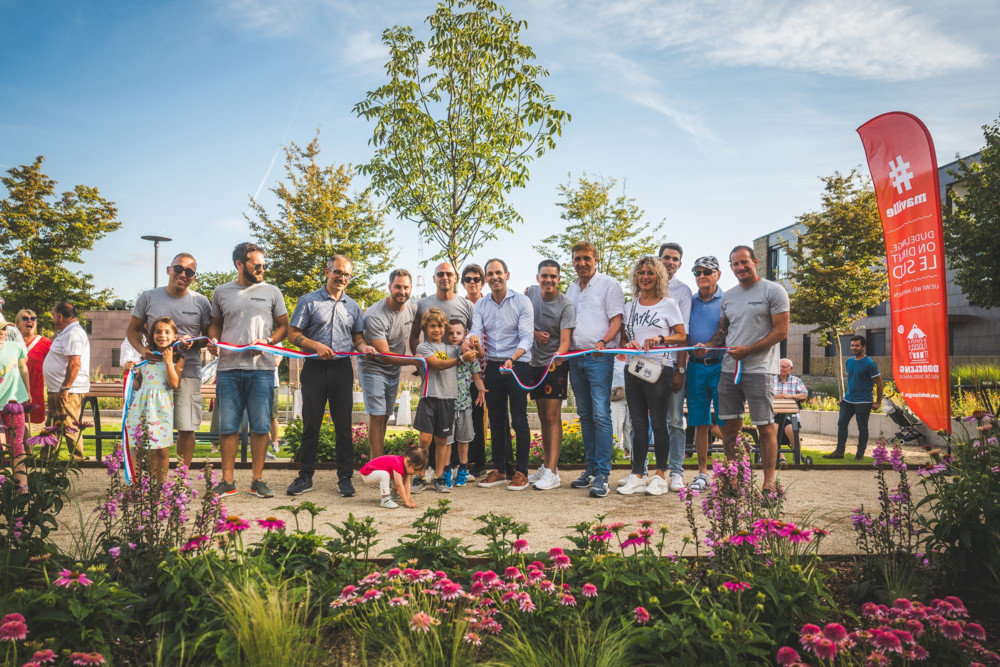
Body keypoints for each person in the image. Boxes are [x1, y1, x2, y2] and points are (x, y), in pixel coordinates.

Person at [699, 245, 789, 496]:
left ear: (755, 261)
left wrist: (747, 351)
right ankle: (734, 478)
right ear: (730, 267)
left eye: (744, 263)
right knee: (729, 426)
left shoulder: (774, 291)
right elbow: (723, 332)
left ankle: (768, 483)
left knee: (765, 426)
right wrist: (706, 346)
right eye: (735, 264)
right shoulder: (728, 296)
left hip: (759, 370)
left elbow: (781, 332)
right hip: (729, 370)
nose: (740, 268)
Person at [285, 255, 372, 498]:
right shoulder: (308, 301)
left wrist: (363, 348)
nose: (342, 278)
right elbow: (293, 334)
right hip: (313, 368)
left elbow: (357, 338)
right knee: (311, 424)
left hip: (342, 369)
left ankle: (345, 478)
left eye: (347, 274)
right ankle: (305, 476)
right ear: (327, 271)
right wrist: (315, 346)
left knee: (344, 425)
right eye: (338, 272)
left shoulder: (353, 306)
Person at [208, 242, 289, 498]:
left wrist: (267, 342)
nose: (262, 268)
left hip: (261, 370)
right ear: (240, 264)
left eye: (264, 264)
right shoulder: (221, 292)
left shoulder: (272, 291)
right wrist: (212, 342)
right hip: (228, 369)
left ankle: (257, 480)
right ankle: (228, 481)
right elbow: (214, 325)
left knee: (261, 426)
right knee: (228, 426)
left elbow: (284, 327)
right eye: (257, 265)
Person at [127, 252, 212, 467]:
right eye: (178, 268)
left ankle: (180, 478)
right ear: (168, 269)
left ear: (194, 277)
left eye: (189, 271)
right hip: (154, 373)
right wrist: (141, 350)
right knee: (150, 428)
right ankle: (151, 478)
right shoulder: (149, 297)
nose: (183, 274)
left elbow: (208, 338)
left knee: (186, 426)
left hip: (188, 371)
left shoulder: (201, 301)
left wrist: (193, 342)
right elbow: (132, 330)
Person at [616, 257, 686, 496]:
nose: (645, 277)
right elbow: (623, 339)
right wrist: (629, 342)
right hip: (634, 369)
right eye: (641, 273)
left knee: (659, 423)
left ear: (659, 277)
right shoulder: (630, 306)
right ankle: (637, 474)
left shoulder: (669, 304)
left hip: (659, 369)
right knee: (637, 423)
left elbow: (681, 336)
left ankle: (660, 475)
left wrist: (660, 339)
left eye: (650, 273)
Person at [566, 241, 624, 498]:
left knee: (601, 414)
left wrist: (603, 342)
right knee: (585, 414)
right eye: (577, 259)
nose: (581, 263)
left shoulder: (609, 285)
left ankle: (603, 474)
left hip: (599, 357)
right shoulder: (571, 288)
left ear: (596, 259)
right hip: (575, 358)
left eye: (586, 258)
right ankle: (590, 470)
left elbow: (617, 321)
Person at [472, 258, 534, 491]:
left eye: (499, 273)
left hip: (517, 365)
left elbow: (527, 338)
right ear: (486, 278)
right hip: (493, 366)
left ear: (507, 275)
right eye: (490, 274)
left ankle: (521, 472)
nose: (494, 277)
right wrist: (473, 339)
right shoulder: (481, 304)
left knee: (519, 420)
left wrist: (513, 359)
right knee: (497, 421)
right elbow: (476, 329)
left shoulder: (522, 302)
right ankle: (500, 469)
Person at [413, 308, 480, 493]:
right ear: (426, 328)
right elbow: (438, 364)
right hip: (428, 397)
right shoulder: (423, 347)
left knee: (442, 441)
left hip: (448, 399)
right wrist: (460, 359)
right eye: (432, 326)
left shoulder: (453, 348)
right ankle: (419, 477)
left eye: (440, 326)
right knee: (425, 440)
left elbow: (472, 351)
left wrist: (471, 341)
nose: (437, 330)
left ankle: (441, 477)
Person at [357, 269, 418, 460]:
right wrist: (417, 360)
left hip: (394, 369)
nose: (402, 291)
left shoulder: (412, 308)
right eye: (397, 287)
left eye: (406, 287)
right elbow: (383, 355)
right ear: (389, 287)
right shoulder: (375, 315)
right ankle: (377, 465)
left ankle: (378, 459)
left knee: (384, 416)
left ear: (411, 288)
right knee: (376, 415)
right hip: (374, 367)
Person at [525, 259, 575, 491]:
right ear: (537, 278)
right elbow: (522, 324)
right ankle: (546, 466)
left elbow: (565, 343)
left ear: (559, 279)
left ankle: (553, 472)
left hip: (555, 364)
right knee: (543, 416)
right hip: (534, 363)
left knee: (554, 417)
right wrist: (534, 334)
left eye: (553, 277)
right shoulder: (531, 293)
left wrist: (556, 357)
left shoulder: (566, 305)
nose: (548, 280)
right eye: (544, 276)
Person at [125, 317, 183, 481]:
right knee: (137, 447)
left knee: (161, 449)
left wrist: (168, 362)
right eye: (158, 331)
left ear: (174, 336)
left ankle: (160, 485)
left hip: (160, 409)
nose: (162, 335)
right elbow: (138, 385)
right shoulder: (145, 357)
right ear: (152, 335)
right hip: (141, 407)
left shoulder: (178, 358)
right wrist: (129, 373)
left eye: (167, 332)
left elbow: (173, 384)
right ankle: (135, 485)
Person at [685, 256, 724, 492]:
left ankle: (730, 470)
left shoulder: (728, 299)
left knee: (726, 422)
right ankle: (702, 472)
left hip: (721, 366)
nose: (701, 276)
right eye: (697, 272)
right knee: (700, 422)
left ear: (718, 274)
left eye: (706, 271)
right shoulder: (689, 302)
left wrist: (710, 344)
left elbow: (725, 329)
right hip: (696, 367)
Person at [659, 243, 693, 490]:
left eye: (675, 259)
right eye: (666, 257)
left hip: (672, 364)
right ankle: (656, 471)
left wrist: (680, 369)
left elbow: (684, 333)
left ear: (680, 264)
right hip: (647, 365)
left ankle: (676, 471)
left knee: (674, 419)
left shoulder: (682, 291)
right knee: (651, 421)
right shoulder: (646, 284)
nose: (670, 262)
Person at [42, 302, 90, 461]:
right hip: (58, 388)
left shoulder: (73, 334)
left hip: (68, 390)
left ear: (60, 316)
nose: (53, 319)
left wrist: (65, 387)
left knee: (68, 426)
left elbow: (75, 363)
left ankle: (77, 462)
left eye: (53, 315)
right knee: (52, 426)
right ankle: (47, 460)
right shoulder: (66, 333)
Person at [825, 335, 884, 460]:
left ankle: (860, 454)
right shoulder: (849, 361)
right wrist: (846, 394)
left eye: (857, 345)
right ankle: (839, 452)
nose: (854, 348)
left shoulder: (870, 364)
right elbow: (851, 378)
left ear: (863, 347)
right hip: (848, 399)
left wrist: (878, 402)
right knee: (841, 423)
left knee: (862, 427)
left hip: (863, 400)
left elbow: (880, 383)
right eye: (852, 345)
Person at [445, 319, 486, 487]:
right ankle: (446, 470)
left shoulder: (471, 355)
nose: (455, 336)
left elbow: (476, 376)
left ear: (465, 334)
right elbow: (441, 365)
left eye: (459, 333)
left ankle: (463, 468)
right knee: (447, 441)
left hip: (464, 405)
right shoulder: (444, 352)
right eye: (451, 333)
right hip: (446, 404)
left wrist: (482, 390)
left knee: (464, 439)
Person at [460, 263, 488, 478]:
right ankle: (463, 462)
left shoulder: (489, 303)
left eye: (476, 279)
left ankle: (482, 463)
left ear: (483, 281)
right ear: (462, 283)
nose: (472, 282)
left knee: (487, 418)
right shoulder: (459, 306)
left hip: (489, 369)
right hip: (465, 373)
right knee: (467, 417)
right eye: (468, 279)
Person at [0, 314, 31, 489]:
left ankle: (22, 486)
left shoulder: (14, 346)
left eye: (4, 328)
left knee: (16, 445)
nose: (2, 332)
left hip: (13, 402)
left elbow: (22, 367)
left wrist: (27, 391)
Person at [358, 446, 427, 509]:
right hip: (368, 474)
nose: (415, 472)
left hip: (373, 473)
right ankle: (385, 500)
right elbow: (399, 485)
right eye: (415, 469)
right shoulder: (398, 464)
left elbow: (407, 484)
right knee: (385, 475)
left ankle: (393, 494)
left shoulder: (405, 466)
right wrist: (406, 501)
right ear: (407, 461)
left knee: (395, 476)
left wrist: (408, 500)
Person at [15, 309, 50, 429]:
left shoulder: (45, 342)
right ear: (18, 323)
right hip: (13, 389)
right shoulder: (10, 342)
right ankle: (22, 448)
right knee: (13, 421)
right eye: (25, 318)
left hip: (35, 388)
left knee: (29, 421)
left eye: (33, 319)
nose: (29, 321)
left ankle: (27, 447)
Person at [774, 358, 808, 448]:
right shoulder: (771, 379)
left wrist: (790, 396)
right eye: (779, 366)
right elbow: (764, 394)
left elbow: (804, 395)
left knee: (792, 431)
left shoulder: (796, 380)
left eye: (784, 367)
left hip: (790, 416)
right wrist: (778, 396)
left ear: (790, 368)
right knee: (773, 430)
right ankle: (781, 458)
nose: (781, 369)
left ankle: (796, 460)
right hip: (773, 415)